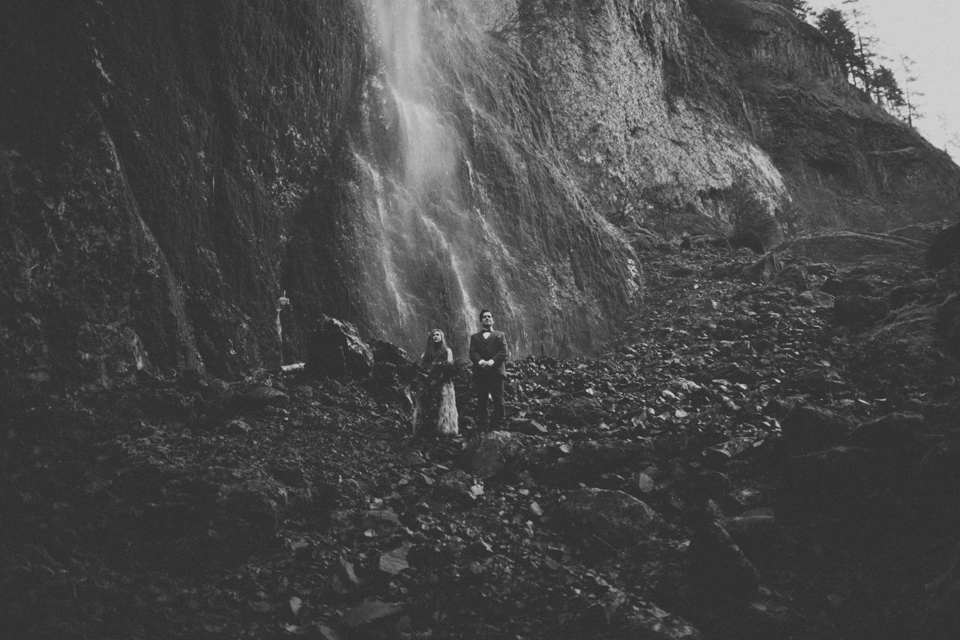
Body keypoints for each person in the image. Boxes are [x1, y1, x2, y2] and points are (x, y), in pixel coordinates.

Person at [412, 329, 459, 437]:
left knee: (444, 407)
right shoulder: (426, 353)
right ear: (431, 337)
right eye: (434, 335)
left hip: (443, 382)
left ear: (442, 337)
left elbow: (450, 366)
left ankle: (446, 430)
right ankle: (426, 431)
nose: (436, 336)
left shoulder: (447, 351)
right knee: (427, 407)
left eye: (438, 334)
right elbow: (422, 366)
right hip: (429, 382)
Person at [469, 309, 508, 431]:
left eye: (489, 317)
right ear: (481, 321)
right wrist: (481, 362)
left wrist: (491, 362)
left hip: (496, 372)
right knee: (482, 400)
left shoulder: (500, 335)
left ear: (493, 320)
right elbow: (472, 352)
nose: (487, 318)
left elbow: (503, 352)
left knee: (499, 400)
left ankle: (498, 426)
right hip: (481, 373)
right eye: (484, 317)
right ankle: (483, 427)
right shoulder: (475, 337)